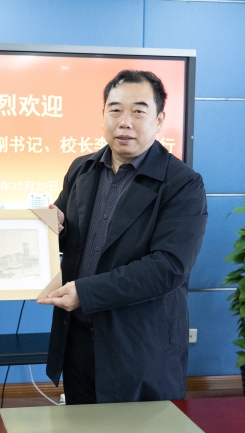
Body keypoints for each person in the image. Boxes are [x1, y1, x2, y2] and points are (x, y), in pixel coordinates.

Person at [37, 70, 208, 404]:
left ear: (159, 120)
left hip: (139, 347)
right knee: (82, 426)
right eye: (115, 110)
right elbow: (70, 237)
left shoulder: (183, 184)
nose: (124, 122)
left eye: (138, 111)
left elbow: (168, 267)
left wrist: (85, 293)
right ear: (103, 115)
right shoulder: (82, 169)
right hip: (78, 342)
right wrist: (55, 227)